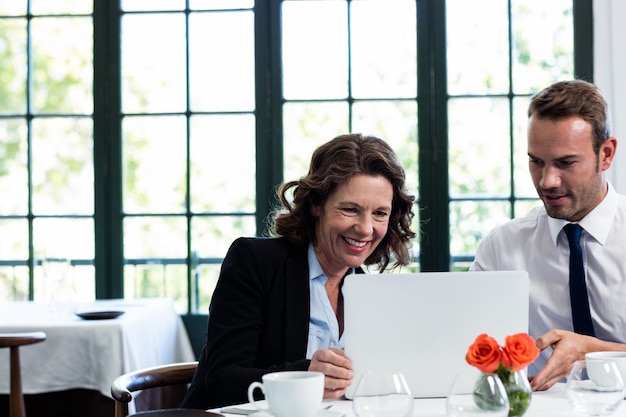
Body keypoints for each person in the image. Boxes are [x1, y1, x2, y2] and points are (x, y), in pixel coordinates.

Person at [180, 133, 416, 409]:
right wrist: (307, 374)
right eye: (350, 209)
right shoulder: (255, 262)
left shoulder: (368, 292)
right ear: (316, 205)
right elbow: (222, 383)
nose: (365, 229)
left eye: (380, 213)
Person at [470, 79, 626, 391]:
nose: (547, 181)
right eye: (536, 162)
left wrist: (593, 351)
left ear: (606, 154)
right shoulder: (502, 248)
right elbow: (462, 343)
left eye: (566, 163)